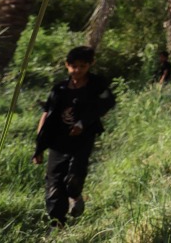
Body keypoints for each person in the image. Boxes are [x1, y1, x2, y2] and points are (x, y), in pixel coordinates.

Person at [32, 46, 116, 227]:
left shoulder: (96, 85)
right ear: (67, 65)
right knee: (54, 185)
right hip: (58, 141)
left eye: (82, 66)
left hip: (82, 141)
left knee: (73, 179)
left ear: (90, 65)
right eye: (73, 66)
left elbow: (106, 104)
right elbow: (47, 114)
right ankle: (57, 224)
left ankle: (75, 195)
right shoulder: (59, 89)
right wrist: (39, 146)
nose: (77, 70)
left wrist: (83, 123)